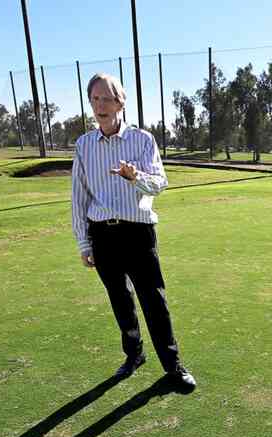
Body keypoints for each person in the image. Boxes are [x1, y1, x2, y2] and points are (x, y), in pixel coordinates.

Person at [71, 72, 195, 390]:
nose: (101, 105)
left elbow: (159, 182)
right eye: (95, 99)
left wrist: (135, 176)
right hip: (102, 235)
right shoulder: (84, 145)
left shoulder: (142, 140)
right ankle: (134, 354)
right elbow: (79, 197)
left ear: (120, 102)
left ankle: (173, 366)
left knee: (154, 301)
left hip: (137, 233)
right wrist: (84, 243)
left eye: (107, 99)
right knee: (120, 300)